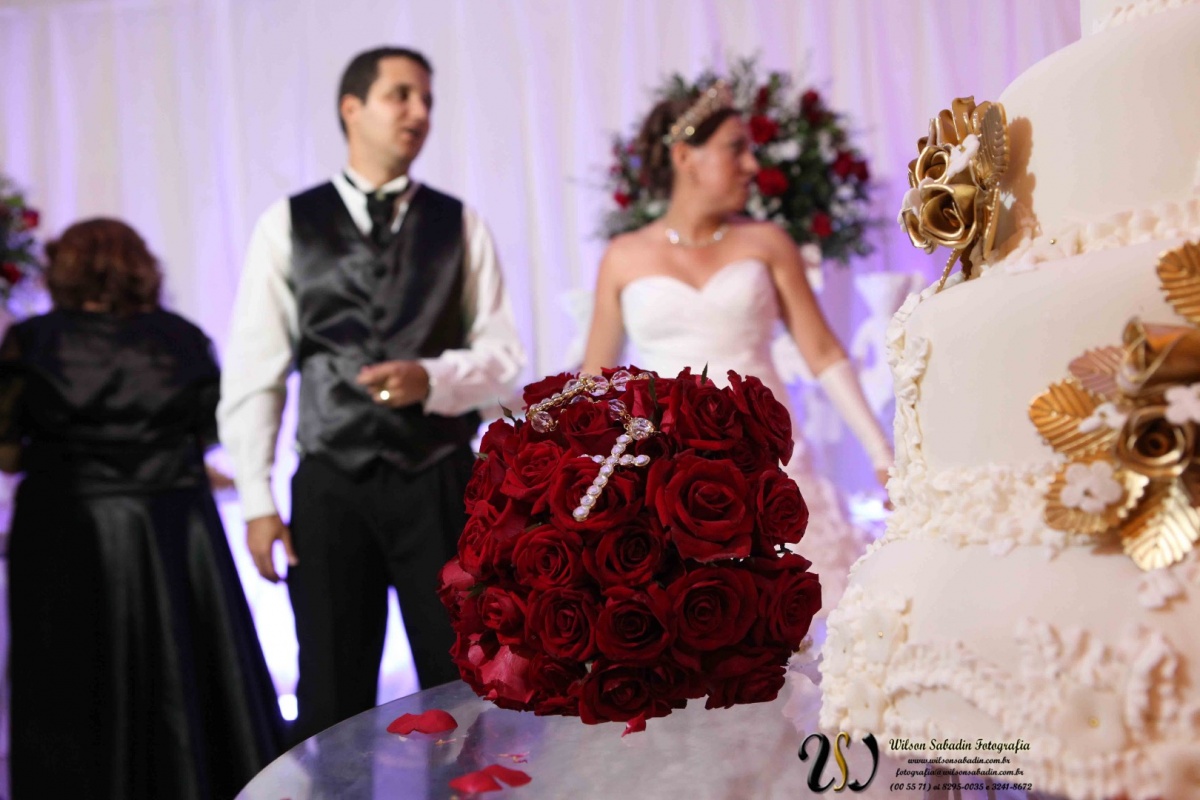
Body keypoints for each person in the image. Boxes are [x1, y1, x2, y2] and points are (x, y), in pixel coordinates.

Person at [218, 46, 524, 743]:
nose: (419, 113)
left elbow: (504, 358)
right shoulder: (286, 223)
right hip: (332, 486)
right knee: (329, 688)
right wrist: (259, 502)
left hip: (441, 481)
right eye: (401, 95)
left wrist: (433, 379)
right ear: (351, 108)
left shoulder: (461, 223)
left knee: (465, 679)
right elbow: (255, 370)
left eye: (427, 101)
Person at [581, 82, 892, 613]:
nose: (752, 164)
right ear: (686, 157)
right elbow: (596, 380)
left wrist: (882, 456)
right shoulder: (624, 256)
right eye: (735, 148)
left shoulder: (767, 243)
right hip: (665, 475)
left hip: (769, 463)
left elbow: (823, 352)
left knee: (805, 624)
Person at [1, 218, 283, 799]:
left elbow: (6, 449)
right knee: (178, 673)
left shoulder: (32, 342)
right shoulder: (181, 337)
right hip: (171, 530)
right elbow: (205, 432)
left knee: (69, 685)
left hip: (64, 532)